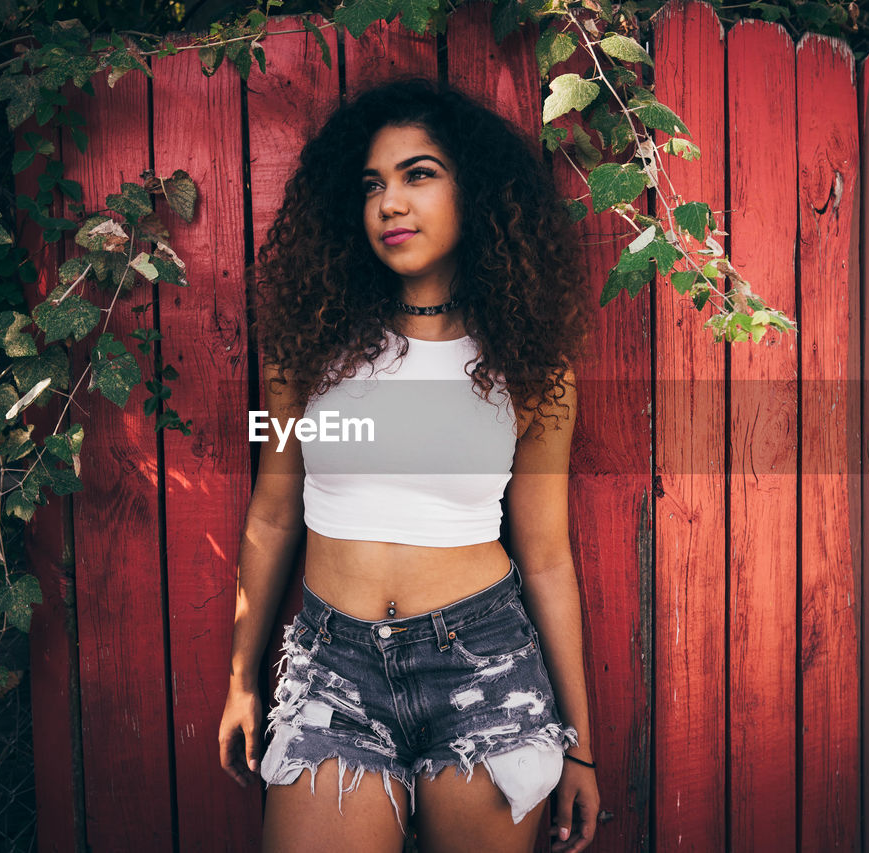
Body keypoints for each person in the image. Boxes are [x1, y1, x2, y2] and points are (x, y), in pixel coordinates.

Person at [218, 76, 601, 853]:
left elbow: (549, 558)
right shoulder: (310, 350)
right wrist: (241, 677)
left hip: (485, 669)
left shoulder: (531, 368)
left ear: (478, 194)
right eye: (373, 185)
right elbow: (271, 513)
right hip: (333, 671)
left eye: (419, 174)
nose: (390, 202)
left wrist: (580, 744)